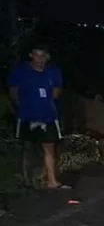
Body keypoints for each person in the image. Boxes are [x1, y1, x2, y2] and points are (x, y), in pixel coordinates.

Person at [7, 44, 68, 189]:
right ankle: (24, 180)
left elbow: (56, 92)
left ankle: (52, 181)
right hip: (27, 116)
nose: (40, 59)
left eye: (43, 55)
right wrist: (23, 106)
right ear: (31, 55)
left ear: (48, 57)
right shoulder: (21, 71)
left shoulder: (53, 72)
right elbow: (13, 92)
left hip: (48, 116)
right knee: (27, 147)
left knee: (49, 149)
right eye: (37, 55)